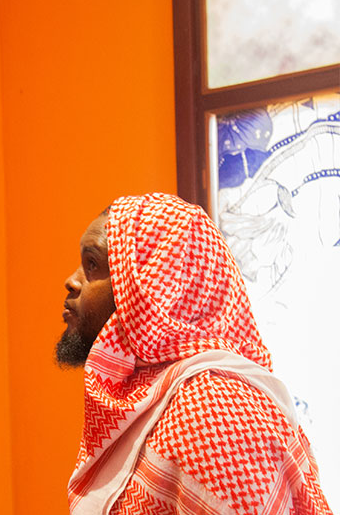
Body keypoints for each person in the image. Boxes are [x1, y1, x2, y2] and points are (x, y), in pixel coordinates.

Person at [59, 193, 332, 513]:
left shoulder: (214, 409)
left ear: (157, 285)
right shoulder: (151, 400)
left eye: (92, 264)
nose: (71, 281)